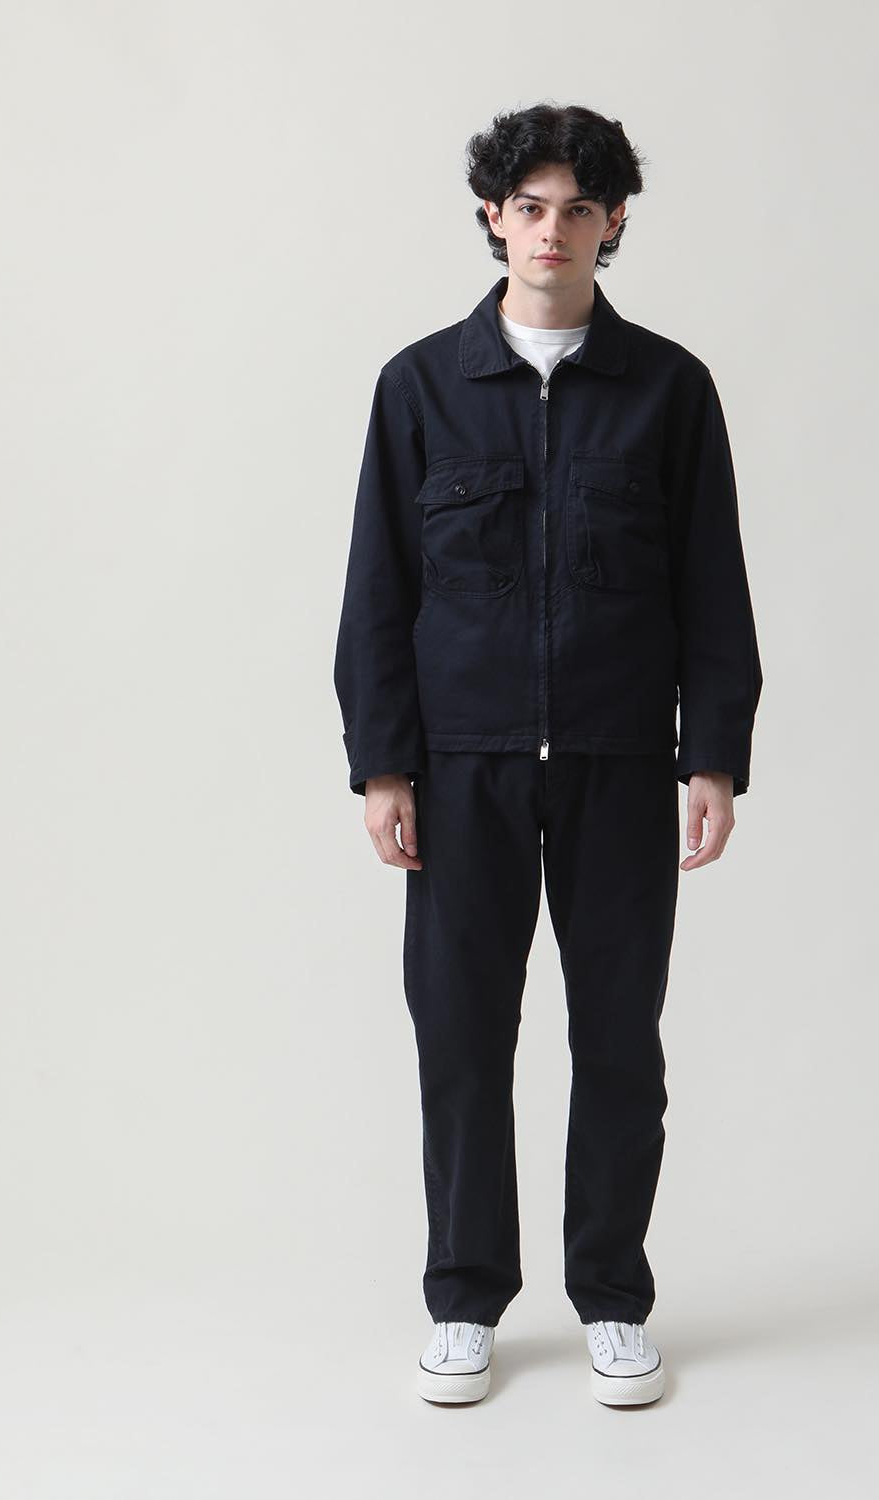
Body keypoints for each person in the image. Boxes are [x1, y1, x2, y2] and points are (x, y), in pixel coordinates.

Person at [333, 102, 763, 1407]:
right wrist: (384, 764)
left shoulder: (670, 390)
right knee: (462, 1037)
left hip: (619, 762)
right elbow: (377, 590)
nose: (553, 231)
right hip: (460, 766)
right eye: (530, 207)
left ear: (614, 221)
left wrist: (712, 755)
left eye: (580, 208)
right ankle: (465, 1299)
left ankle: (612, 1298)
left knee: (619, 1038)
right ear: (493, 217)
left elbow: (713, 586)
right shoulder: (419, 387)